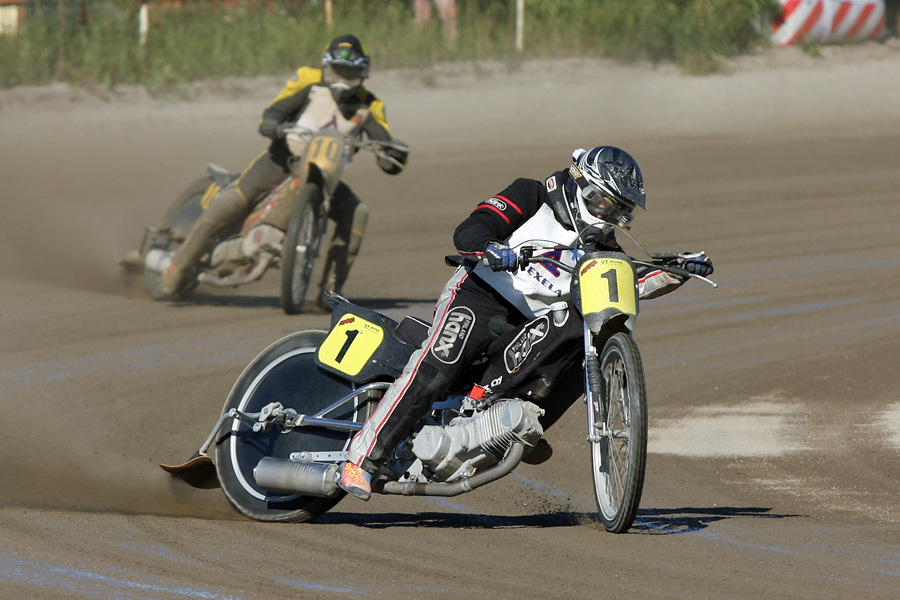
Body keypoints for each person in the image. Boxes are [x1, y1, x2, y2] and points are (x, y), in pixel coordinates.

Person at [337, 145, 714, 500]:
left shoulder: (603, 247)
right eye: (606, 204)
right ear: (582, 187)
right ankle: (362, 459)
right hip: (479, 295)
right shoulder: (531, 195)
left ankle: (518, 422)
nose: (610, 217)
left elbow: (627, 282)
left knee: (584, 335)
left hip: (527, 323)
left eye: (620, 211)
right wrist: (491, 247)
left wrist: (677, 270)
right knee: (439, 364)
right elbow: (472, 229)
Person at [158, 34, 409, 305]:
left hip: (326, 178)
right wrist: (274, 125)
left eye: (349, 73)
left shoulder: (370, 106)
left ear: (362, 74)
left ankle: (330, 291)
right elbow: (273, 112)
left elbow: (386, 149)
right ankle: (176, 268)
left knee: (357, 213)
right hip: (279, 163)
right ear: (326, 66)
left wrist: (393, 153)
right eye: (337, 70)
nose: (342, 79)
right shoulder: (308, 82)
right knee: (230, 202)